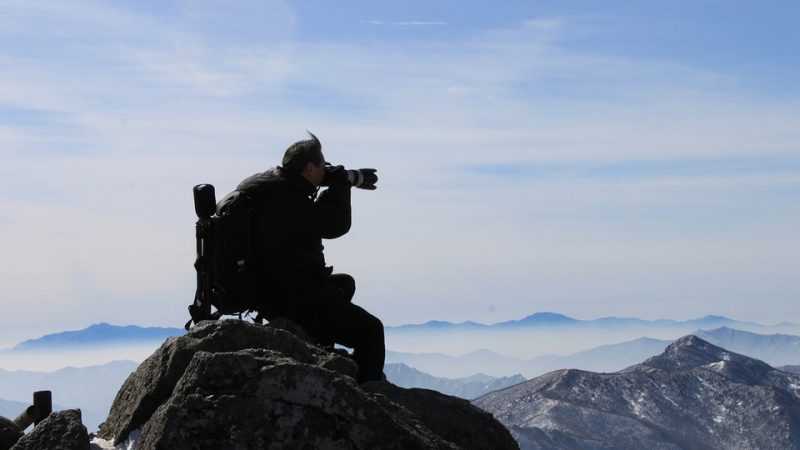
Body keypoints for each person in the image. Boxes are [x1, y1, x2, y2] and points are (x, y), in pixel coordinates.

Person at [235, 132, 385, 383]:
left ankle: (318, 344)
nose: (325, 171)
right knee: (371, 331)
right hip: (296, 296)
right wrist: (341, 183)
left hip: (268, 293)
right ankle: (368, 399)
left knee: (344, 284)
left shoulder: (268, 190)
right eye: (321, 166)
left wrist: (339, 179)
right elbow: (337, 225)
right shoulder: (290, 202)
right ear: (309, 167)